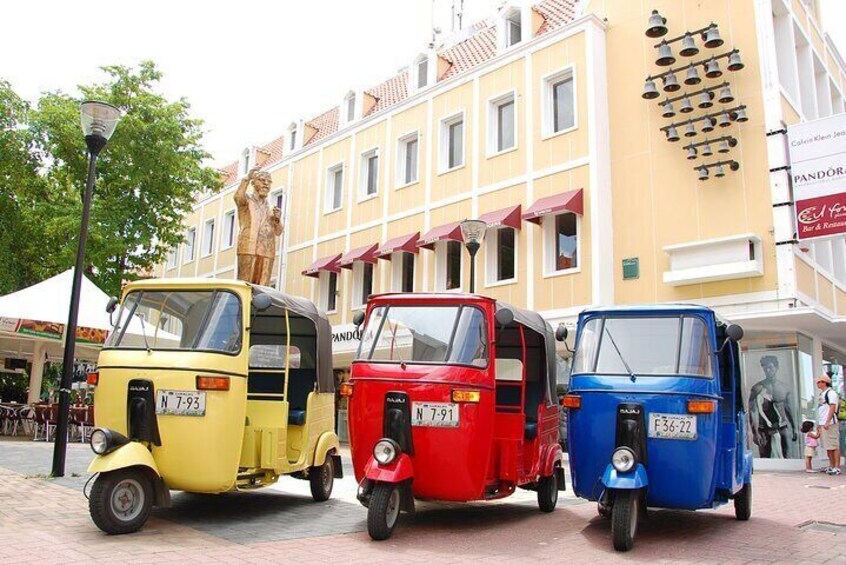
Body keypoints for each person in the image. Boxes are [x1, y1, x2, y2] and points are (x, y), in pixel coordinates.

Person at [234, 167, 284, 286]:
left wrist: (277, 220)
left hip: (267, 251)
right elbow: (238, 197)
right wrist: (246, 178)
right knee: (245, 284)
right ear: (253, 183)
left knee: (263, 286)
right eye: (262, 180)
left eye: (269, 182)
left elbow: (278, 232)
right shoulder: (246, 200)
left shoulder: (271, 208)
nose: (266, 184)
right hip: (248, 247)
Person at [748, 355, 797, 458]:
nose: (768, 370)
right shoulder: (757, 388)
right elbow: (753, 410)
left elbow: (789, 409)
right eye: (765, 368)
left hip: (782, 426)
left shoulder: (784, 388)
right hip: (764, 428)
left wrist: (794, 428)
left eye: (770, 367)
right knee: (765, 455)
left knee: (787, 454)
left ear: (777, 367)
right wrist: (755, 432)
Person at [816, 374, 841, 475]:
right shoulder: (822, 394)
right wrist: (820, 423)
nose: (818, 384)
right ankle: (831, 465)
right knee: (827, 446)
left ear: (824, 382)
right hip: (823, 423)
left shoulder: (831, 393)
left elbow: (832, 407)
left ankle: (837, 466)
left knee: (833, 445)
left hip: (830, 423)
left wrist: (827, 421)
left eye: (819, 382)